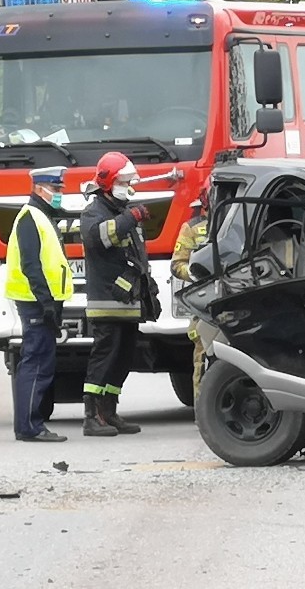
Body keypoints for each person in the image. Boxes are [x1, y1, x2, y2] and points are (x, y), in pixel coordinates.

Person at [80, 152, 161, 437]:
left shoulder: (122, 211)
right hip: (107, 304)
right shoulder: (95, 212)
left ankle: (109, 411)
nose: (130, 187)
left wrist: (149, 288)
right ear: (109, 182)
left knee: (123, 358)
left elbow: (136, 256)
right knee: (104, 357)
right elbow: (98, 238)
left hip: (127, 303)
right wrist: (131, 217)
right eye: (125, 181)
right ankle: (91, 417)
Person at [4, 166, 72, 442]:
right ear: (40, 188)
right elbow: (31, 265)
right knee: (36, 362)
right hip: (34, 302)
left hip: (40, 301)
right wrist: (46, 303)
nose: (59, 195)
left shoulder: (41, 216)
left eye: (59, 190)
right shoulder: (30, 217)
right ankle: (30, 426)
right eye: (56, 190)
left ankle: (29, 425)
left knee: (40, 361)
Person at [170, 181, 211, 404]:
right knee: (201, 359)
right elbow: (177, 265)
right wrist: (196, 274)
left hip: (232, 299)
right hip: (204, 304)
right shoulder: (193, 228)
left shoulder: (237, 222)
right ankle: (201, 409)